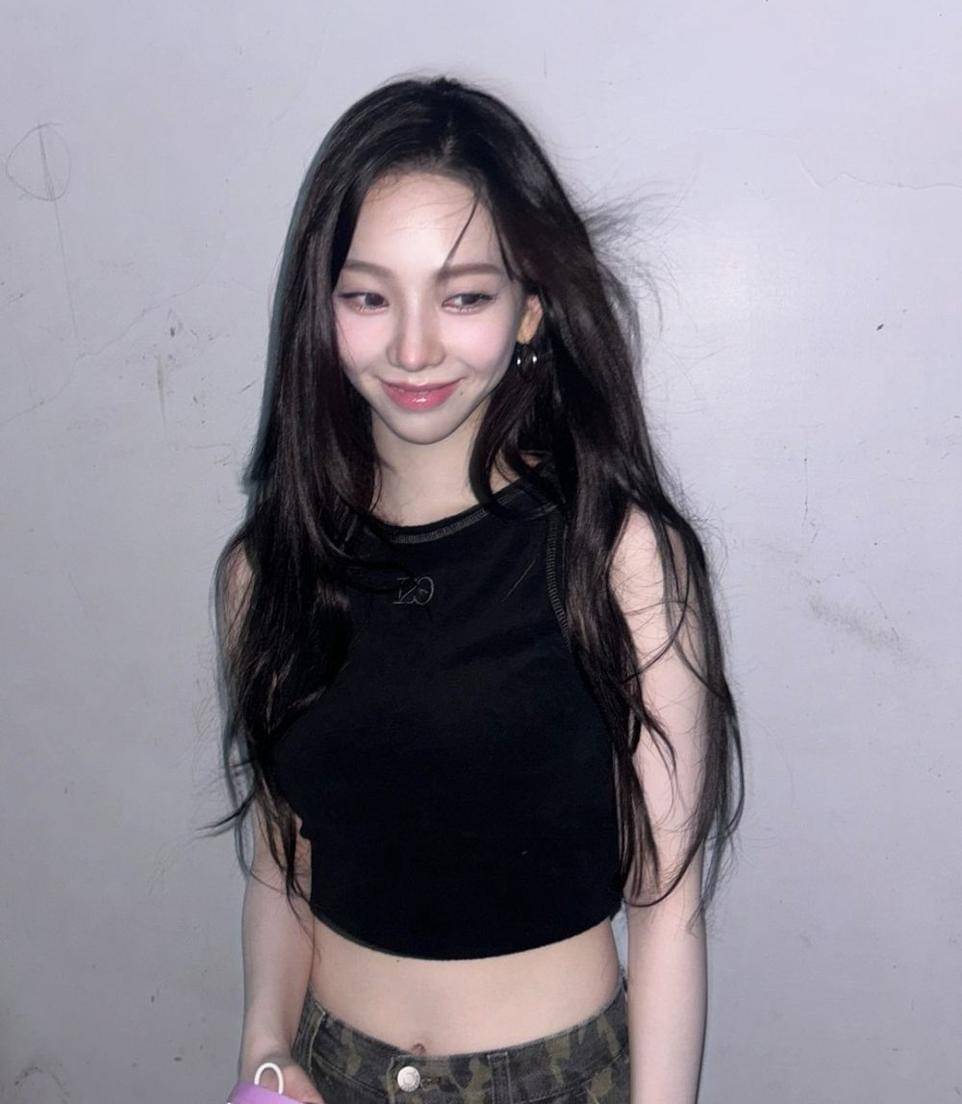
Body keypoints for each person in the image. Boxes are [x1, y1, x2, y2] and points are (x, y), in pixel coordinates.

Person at [207, 74, 744, 1104]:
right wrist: (265, 1051)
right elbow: (283, 863)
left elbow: (666, 904)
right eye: (369, 297)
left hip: (556, 1081)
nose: (414, 347)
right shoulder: (262, 572)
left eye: (463, 297)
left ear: (530, 309)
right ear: (321, 310)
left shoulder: (618, 557)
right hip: (327, 1070)